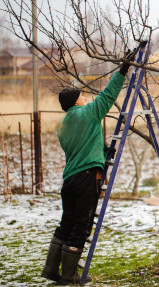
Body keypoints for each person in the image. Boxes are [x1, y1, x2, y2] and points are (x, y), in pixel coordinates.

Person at [41, 47, 138, 285]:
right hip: (86, 178)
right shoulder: (87, 114)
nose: (86, 98)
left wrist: (104, 152)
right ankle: (69, 275)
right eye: (82, 96)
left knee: (66, 222)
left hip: (70, 179)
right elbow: (108, 95)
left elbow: (82, 147)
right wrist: (123, 69)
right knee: (81, 226)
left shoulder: (64, 126)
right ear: (76, 100)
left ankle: (51, 270)